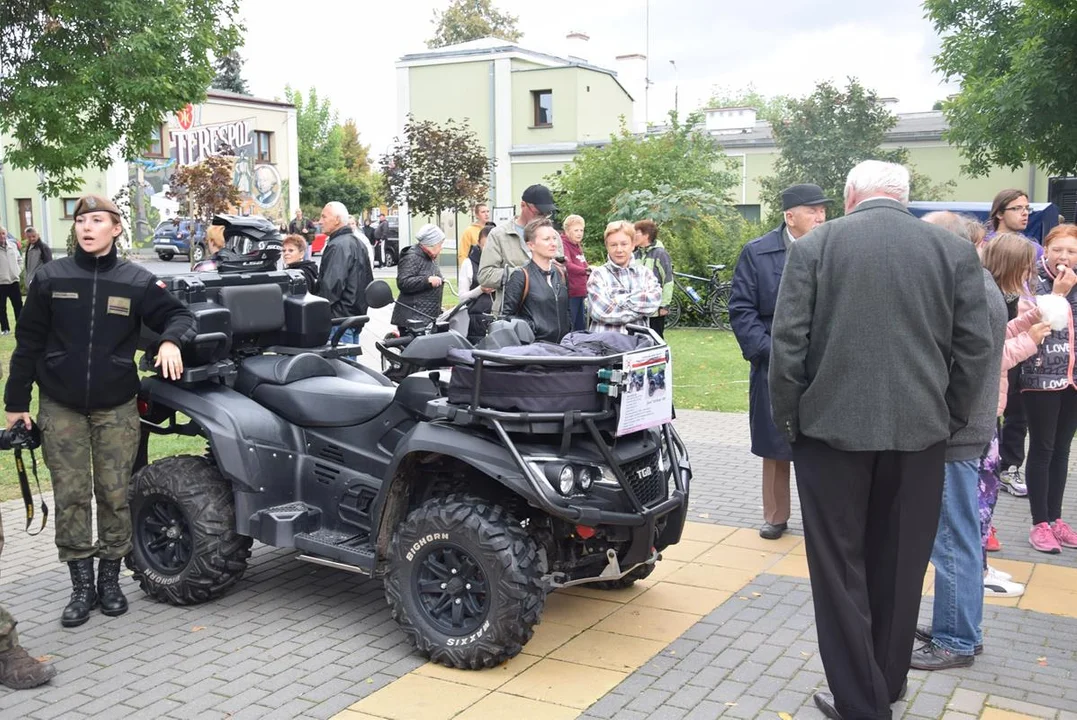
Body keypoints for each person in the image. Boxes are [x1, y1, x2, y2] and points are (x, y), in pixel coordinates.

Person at [769, 161, 992, 719]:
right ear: (903, 196)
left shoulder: (816, 246)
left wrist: (791, 424)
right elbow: (975, 349)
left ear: (849, 198)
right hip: (921, 434)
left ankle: (863, 703)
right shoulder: (952, 250)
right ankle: (883, 685)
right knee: (900, 565)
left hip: (828, 435)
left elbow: (788, 345)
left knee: (840, 571)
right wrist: (950, 417)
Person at [4, 194, 195, 628]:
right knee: (72, 497)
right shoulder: (51, 277)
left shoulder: (137, 281)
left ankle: (110, 581)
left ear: (116, 228)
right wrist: (16, 404)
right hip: (61, 405)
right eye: (81, 221)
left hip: (116, 407)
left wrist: (169, 341)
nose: (86, 228)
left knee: (114, 495)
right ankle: (81, 587)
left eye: (96, 220)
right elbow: (28, 343)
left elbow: (181, 317)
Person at [907, 211, 1005, 672]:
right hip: (961, 429)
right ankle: (962, 626)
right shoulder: (977, 282)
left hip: (954, 434)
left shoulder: (971, 289)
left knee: (952, 539)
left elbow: (959, 369)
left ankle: (956, 639)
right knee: (958, 536)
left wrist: (938, 422)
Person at [729, 183, 830, 541]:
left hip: (822, 362)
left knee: (821, 444)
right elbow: (741, 310)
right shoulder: (758, 253)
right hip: (773, 361)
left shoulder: (834, 248)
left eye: (823, 210)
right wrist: (768, 353)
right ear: (790, 216)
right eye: (812, 210)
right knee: (776, 444)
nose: (821, 216)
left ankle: (822, 518)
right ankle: (776, 516)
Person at [1018, 223, 1077, 554]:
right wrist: (1059, 294)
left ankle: (1056, 519)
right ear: (1047, 250)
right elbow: (1039, 322)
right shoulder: (1033, 281)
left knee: (1063, 450)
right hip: (1041, 375)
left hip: (1073, 377)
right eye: (1058, 250)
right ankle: (1039, 523)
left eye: (1071, 251)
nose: (1064, 257)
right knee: (1042, 447)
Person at [990, 189, 1039, 497]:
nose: (1024, 213)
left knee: (1016, 413)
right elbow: (990, 352)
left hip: (1019, 341)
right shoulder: (987, 250)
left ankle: (1009, 466)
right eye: (1017, 208)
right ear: (999, 213)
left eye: (1027, 208)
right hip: (1008, 350)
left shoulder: (1031, 248)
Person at [478, 184, 562, 317]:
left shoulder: (553, 236)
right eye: (539, 212)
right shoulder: (499, 235)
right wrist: (523, 276)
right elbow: (485, 275)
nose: (543, 217)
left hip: (547, 313)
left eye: (547, 213)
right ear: (523, 205)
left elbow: (560, 275)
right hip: (512, 314)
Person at [501, 218, 572, 343]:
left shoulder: (561, 273)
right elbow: (506, 317)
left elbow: (566, 310)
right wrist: (533, 327)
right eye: (546, 239)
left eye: (554, 238)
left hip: (562, 348)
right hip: (534, 350)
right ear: (531, 245)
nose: (553, 243)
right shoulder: (521, 275)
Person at [587, 221, 662, 334]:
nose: (619, 250)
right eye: (613, 245)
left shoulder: (645, 274)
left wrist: (619, 300)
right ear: (607, 246)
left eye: (624, 244)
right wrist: (639, 310)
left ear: (632, 245)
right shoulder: (598, 275)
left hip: (639, 345)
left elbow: (654, 302)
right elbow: (602, 313)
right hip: (606, 346)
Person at [317, 201, 373, 345]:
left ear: (337, 220)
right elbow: (368, 282)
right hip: (353, 318)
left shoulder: (338, 246)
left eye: (324, 217)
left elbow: (330, 288)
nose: (320, 221)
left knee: (340, 365)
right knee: (349, 365)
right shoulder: (357, 243)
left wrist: (317, 313)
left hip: (339, 321)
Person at [392, 224, 445, 334]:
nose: (441, 248)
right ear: (431, 244)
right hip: (412, 318)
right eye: (440, 244)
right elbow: (403, 282)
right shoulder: (412, 256)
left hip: (426, 317)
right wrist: (427, 281)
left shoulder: (430, 257)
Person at [633, 219, 674, 337]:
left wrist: (664, 305)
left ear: (646, 235)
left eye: (637, 233)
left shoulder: (660, 254)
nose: (633, 236)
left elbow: (668, 281)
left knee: (656, 338)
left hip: (655, 309)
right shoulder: (635, 254)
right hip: (639, 308)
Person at [458, 223, 495, 344]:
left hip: (498, 321)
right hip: (475, 322)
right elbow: (462, 297)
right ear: (478, 243)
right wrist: (480, 289)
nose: (489, 250)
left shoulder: (503, 264)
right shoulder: (468, 264)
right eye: (486, 246)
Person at [561, 214, 590, 332]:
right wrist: (585, 271)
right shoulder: (564, 244)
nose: (579, 233)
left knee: (581, 326)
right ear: (567, 231)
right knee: (571, 326)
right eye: (576, 230)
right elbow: (567, 265)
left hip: (581, 292)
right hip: (571, 293)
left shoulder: (577, 245)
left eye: (581, 230)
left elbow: (583, 264)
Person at [0, 228, 22, 335]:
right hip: (1, 283)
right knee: (1, 308)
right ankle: (5, 329)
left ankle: (21, 327)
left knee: (18, 306)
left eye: (3, 233)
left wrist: (17, 271)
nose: (2, 236)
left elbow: (19, 260)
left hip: (14, 281)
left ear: (6, 234)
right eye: (0, 234)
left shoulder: (12, 246)